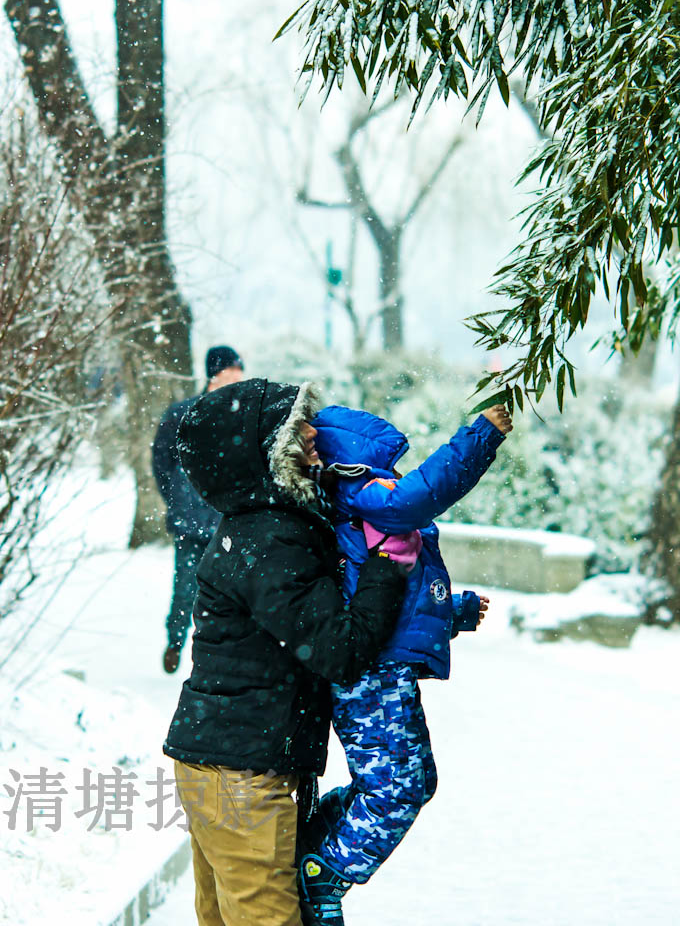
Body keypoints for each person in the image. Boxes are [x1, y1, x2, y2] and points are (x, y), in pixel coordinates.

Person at [163, 377, 409, 926]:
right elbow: (339, 648)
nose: (312, 432)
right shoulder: (270, 538)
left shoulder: (258, 528)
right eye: (296, 425)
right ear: (265, 451)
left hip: (221, 768)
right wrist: (390, 565)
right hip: (242, 778)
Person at [296, 403, 513, 925]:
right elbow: (418, 499)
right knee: (398, 788)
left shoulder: (361, 494)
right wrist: (479, 438)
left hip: (380, 667)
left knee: (411, 781)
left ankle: (315, 837)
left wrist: (451, 611)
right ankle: (325, 869)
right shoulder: (358, 488)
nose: (397, 473)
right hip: (369, 672)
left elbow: (400, 581)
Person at [152, 345, 244, 673]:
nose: (237, 377)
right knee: (186, 588)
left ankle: (215, 654)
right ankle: (175, 641)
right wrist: (178, 499)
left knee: (227, 592)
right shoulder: (182, 414)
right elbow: (162, 464)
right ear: (215, 374)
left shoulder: (242, 416)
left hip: (227, 522)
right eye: (232, 371)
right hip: (190, 521)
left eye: (239, 371)